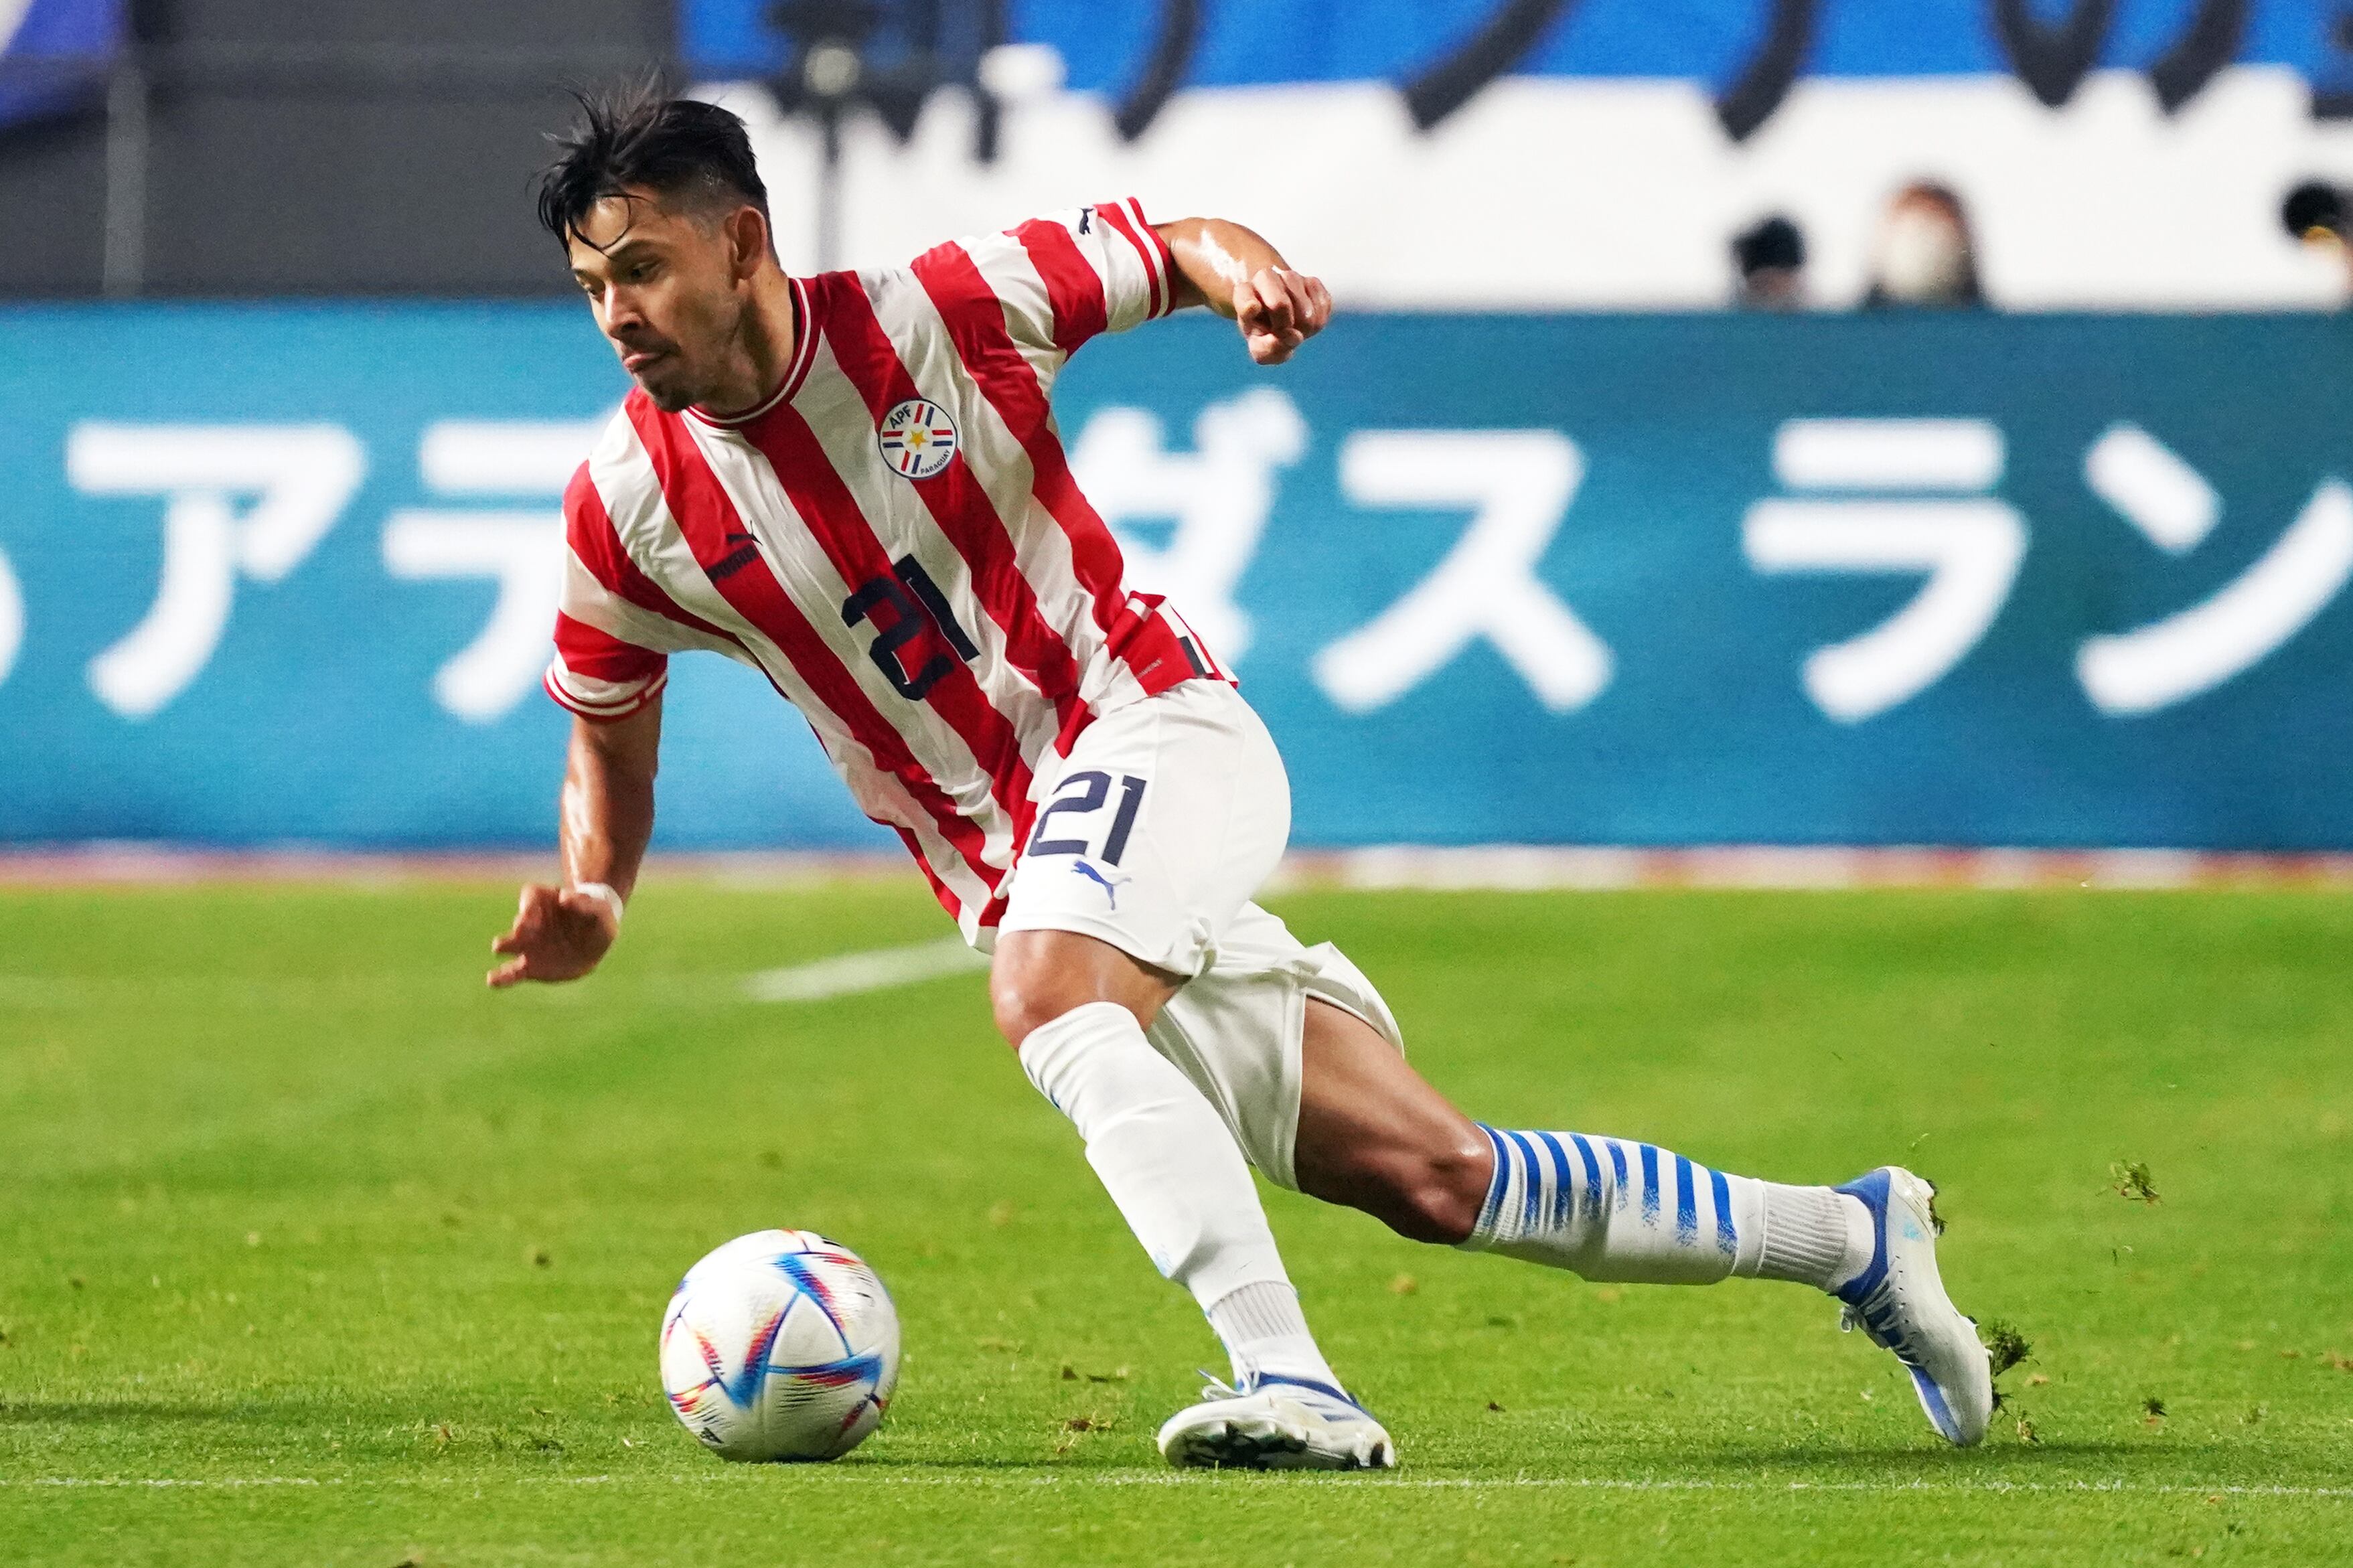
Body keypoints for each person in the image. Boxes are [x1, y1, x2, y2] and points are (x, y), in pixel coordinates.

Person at [488, 86, 1995, 1470]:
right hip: (1021, 864)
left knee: (1049, 995)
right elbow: (606, 723)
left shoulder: (935, 313)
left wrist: (1249, 275)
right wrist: (596, 889)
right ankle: (1848, 1237)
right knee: (1430, 1174)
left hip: (1150, 728)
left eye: (640, 270)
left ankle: (1292, 1379)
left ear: (743, 241)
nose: (616, 314)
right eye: (591, 287)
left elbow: (1166, 246)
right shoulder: (627, 507)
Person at [1863, 181, 1985, 309]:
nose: (1925, 245)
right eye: (1915, 229)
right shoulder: (1853, 320)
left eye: (1937, 227)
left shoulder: (1993, 321)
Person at [1732, 214, 1807, 309]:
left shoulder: (1813, 314)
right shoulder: (1729, 313)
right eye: (1762, 285)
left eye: (1774, 284)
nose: (1769, 294)